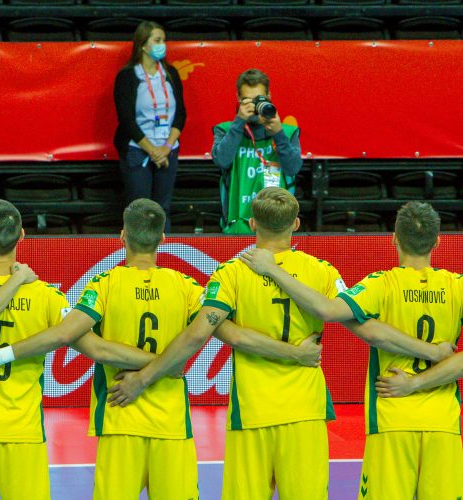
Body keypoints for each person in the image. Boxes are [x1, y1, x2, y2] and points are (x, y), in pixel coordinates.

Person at [93, 188, 452, 500]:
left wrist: (144, 376)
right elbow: (365, 327)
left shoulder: (230, 273)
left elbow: (202, 333)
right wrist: (431, 352)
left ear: (252, 224)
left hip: (252, 414)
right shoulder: (321, 272)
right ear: (296, 225)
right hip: (305, 414)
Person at [0, 198, 322, 499]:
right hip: (169, 427)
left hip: (116, 420)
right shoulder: (185, 287)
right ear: (163, 238)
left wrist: (0, 354)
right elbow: (224, 334)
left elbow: (78, 340)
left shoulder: (103, 285)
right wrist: (166, 364)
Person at [241, 200, 463, 500]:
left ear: (394, 238)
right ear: (438, 241)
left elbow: (327, 310)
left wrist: (272, 270)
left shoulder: (381, 284)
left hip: (391, 420)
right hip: (444, 425)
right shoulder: (457, 286)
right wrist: (420, 380)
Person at [0, 200, 68, 500]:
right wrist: (157, 365)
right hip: (24, 434)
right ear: (22, 235)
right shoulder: (48, 296)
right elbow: (80, 339)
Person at [114, 20, 186, 233]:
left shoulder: (170, 73)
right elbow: (126, 119)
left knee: (163, 207)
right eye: (157, 40)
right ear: (143, 45)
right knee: (140, 208)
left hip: (167, 150)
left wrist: (166, 147)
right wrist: (152, 150)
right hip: (139, 150)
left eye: (163, 40)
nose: (162, 44)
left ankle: (163, 256)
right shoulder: (127, 76)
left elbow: (180, 114)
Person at [212, 68, 303, 234]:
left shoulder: (287, 132)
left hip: (277, 226)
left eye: (258, 99)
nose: (254, 106)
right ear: (238, 99)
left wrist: (278, 134)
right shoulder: (226, 130)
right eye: (247, 100)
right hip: (237, 226)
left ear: (269, 96)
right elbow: (222, 161)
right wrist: (239, 122)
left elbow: (293, 168)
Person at [376, 351, 463, 397]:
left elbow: (373, 334)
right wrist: (437, 351)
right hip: (444, 416)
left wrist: (412, 384)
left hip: (390, 413)